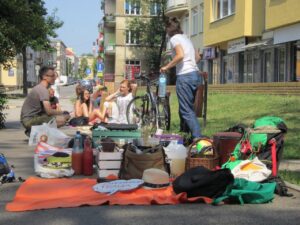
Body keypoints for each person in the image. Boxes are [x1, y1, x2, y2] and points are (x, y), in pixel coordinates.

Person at [160, 17, 202, 139]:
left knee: (186, 110)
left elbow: (180, 55)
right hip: (195, 75)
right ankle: (187, 135)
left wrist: (166, 67)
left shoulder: (174, 39)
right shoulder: (186, 38)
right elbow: (198, 57)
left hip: (185, 76)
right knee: (187, 108)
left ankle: (197, 138)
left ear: (169, 28)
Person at [20, 66, 70, 136]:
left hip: (30, 118)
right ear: (44, 77)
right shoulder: (43, 90)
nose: (55, 78)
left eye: (54, 75)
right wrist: (63, 112)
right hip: (29, 120)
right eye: (52, 76)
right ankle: (35, 132)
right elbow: (49, 111)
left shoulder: (41, 88)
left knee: (59, 117)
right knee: (62, 120)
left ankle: (35, 132)